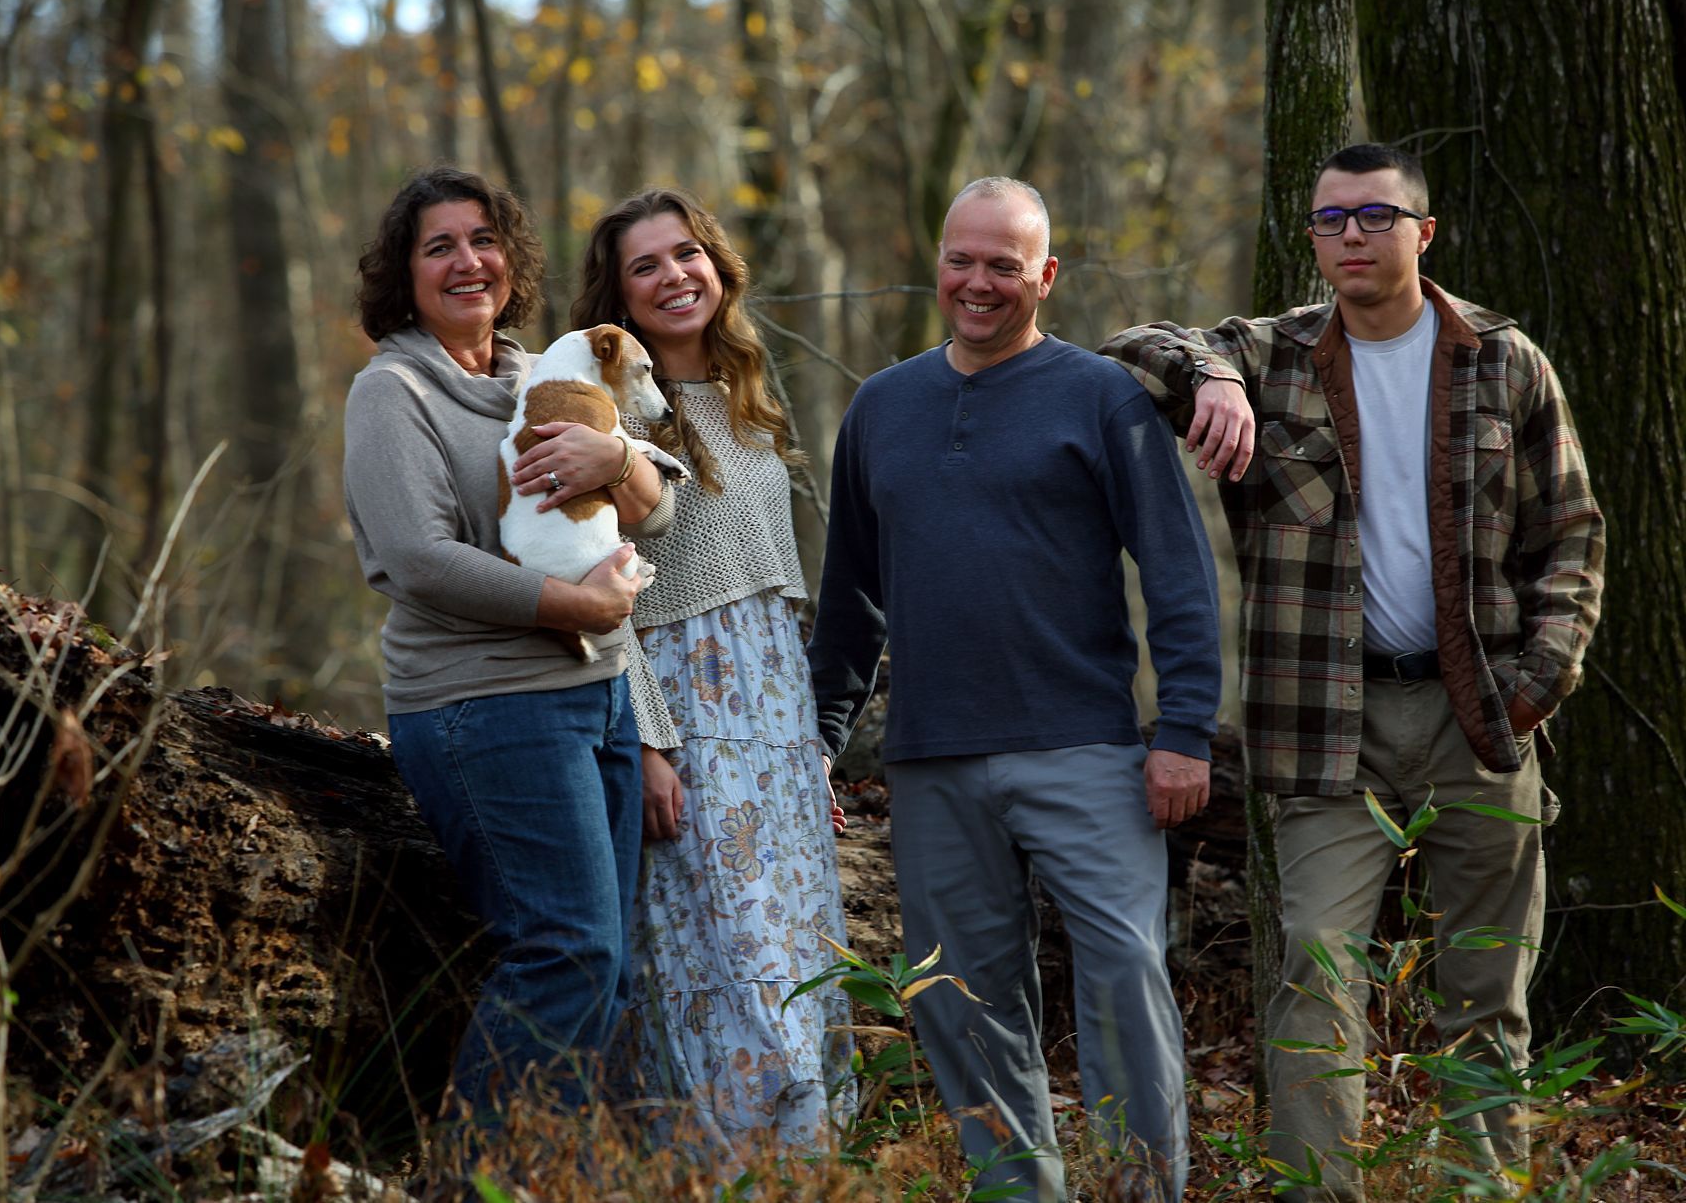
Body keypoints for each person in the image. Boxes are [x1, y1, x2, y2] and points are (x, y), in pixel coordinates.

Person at [1101, 142, 1606, 1200]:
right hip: (1324, 725)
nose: (1351, 238)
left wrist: (1537, 682)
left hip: (1484, 719)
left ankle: (1480, 1188)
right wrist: (1215, 377)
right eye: (1330, 221)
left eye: (1375, 217)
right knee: (1317, 981)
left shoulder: (1504, 363)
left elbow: (1572, 535)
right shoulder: (1273, 354)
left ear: (1425, 233)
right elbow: (1131, 346)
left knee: (1485, 993)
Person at [807, 176, 1222, 1203]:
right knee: (961, 1000)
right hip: (933, 756)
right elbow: (851, 598)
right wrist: (816, 738)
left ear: (1046, 275)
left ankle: (1140, 1191)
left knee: (1126, 974)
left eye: (1005, 264)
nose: (979, 282)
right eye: (962, 259)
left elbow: (1176, 570)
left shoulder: (1104, 397)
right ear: (936, 261)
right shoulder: (881, 407)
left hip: (1083, 746)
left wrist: (1185, 728)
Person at [341, 165, 679, 1127]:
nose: (466, 261)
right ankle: (475, 1179)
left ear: (511, 257)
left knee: (605, 969)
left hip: (601, 699)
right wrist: (576, 605)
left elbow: (656, 517)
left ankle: (558, 1172)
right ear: (403, 274)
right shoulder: (391, 392)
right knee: (564, 952)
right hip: (484, 705)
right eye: (437, 245)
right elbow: (419, 559)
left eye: (482, 239)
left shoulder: (544, 378)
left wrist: (618, 459)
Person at [572, 187, 855, 1155]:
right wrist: (647, 742)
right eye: (644, 266)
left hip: (777, 718)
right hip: (683, 714)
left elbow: (781, 595)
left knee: (796, 958)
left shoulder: (751, 395)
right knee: (720, 960)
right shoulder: (603, 417)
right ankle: (719, 1166)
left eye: (686, 254)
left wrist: (810, 743)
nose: (672, 276)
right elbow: (606, 595)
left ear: (718, 266)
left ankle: (806, 1166)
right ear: (616, 297)